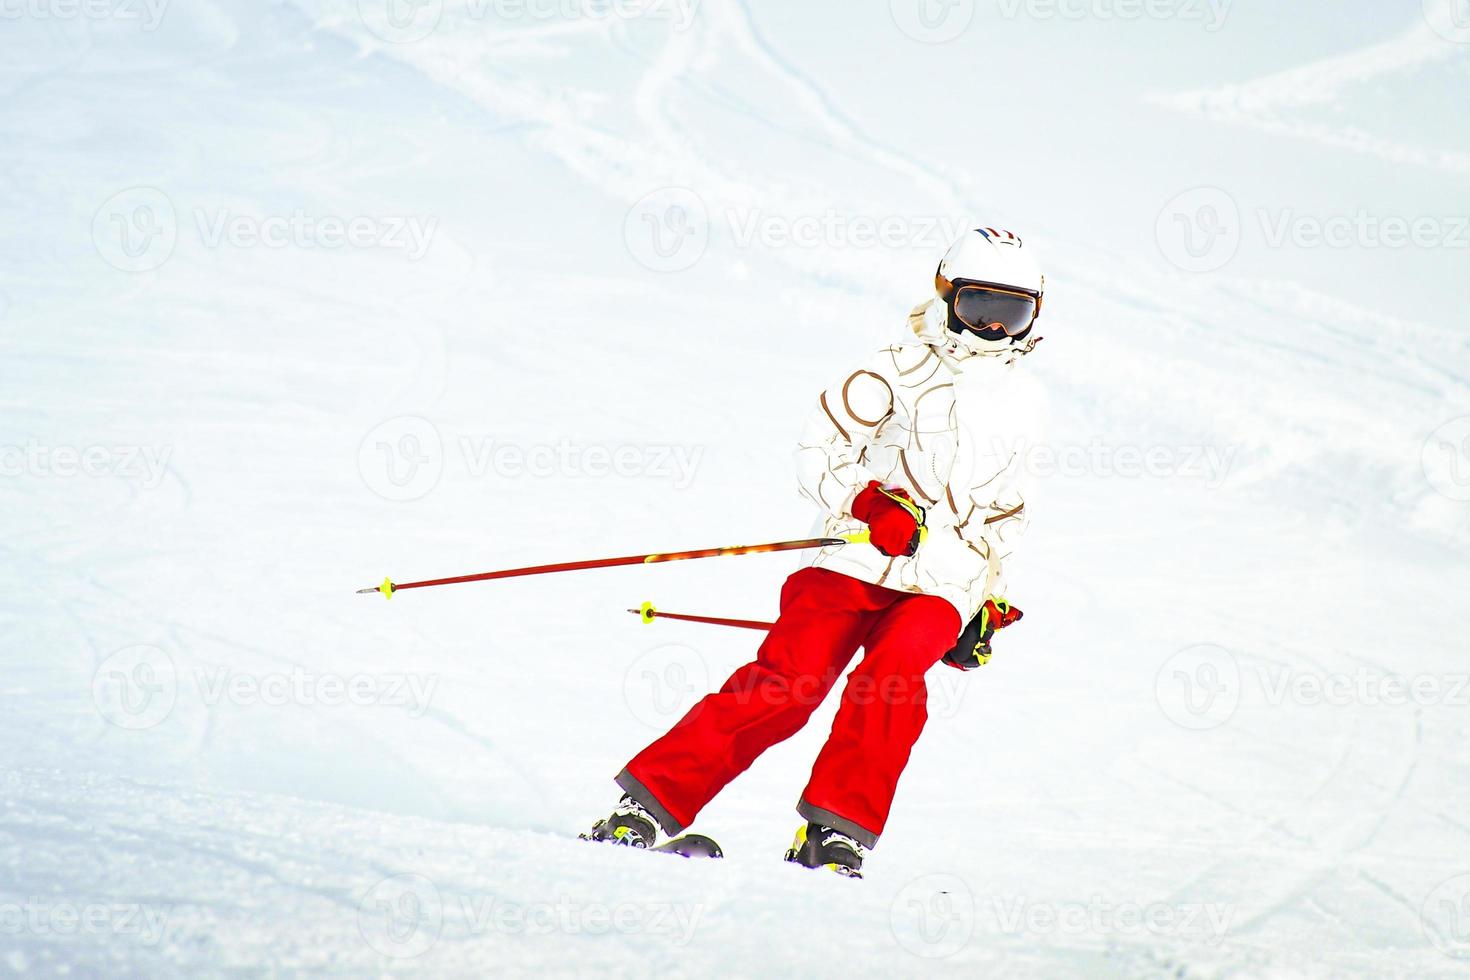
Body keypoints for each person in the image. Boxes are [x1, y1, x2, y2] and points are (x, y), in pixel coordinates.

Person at [584, 228, 1048, 878]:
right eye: (979, 308)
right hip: (851, 562)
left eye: (1014, 312)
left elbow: (1008, 512)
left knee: (889, 688)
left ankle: (834, 837)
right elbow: (820, 450)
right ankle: (644, 808)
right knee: (788, 684)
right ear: (946, 297)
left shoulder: (1025, 400)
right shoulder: (893, 368)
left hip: (944, 583)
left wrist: (988, 602)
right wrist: (867, 505)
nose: (995, 327)